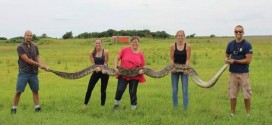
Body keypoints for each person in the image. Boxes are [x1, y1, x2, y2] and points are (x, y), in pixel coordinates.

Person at [11, 30, 49, 114]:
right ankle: (13, 108)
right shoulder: (20, 47)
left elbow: (37, 58)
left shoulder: (35, 47)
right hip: (24, 72)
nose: (29, 37)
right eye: (27, 35)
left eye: (31, 35)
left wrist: (44, 66)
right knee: (19, 91)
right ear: (24, 36)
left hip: (33, 73)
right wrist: (39, 65)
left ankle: (37, 108)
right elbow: (27, 60)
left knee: (35, 90)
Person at [225, 25, 253, 116]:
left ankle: (248, 114)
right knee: (232, 95)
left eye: (240, 31)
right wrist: (227, 60)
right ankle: (232, 113)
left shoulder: (247, 45)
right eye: (236, 31)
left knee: (246, 95)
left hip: (244, 73)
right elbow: (226, 55)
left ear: (243, 32)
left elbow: (248, 60)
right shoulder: (230, 44)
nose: (238, 33)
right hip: (233, 73)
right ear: (234, 32)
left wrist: (235, 61)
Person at [113, 36, 145, 110]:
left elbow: (143, 66)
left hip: (135, 75)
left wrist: (142, 70)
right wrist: (115, 67)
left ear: (138, 43)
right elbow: (117, 58)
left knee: (133, 92)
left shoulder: (141, 54)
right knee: (120, 89)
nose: (135, 43)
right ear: (131, 43)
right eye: (133, 42)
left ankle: (133, 109)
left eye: (136, 42)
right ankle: (116, 105)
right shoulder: (125, 49)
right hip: (123, 74)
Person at [83, 39, 109, 109]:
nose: (98, 45)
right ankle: (85, 105)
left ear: (102, 43)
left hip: (104, 72)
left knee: (103, 89)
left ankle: (102, 106)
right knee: (89, 88)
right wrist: (96, 68)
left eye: (99, 43)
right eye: (96, 43)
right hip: (96, 71)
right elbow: (93, 64)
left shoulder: (106, 52)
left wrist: (103, 69)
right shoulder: (91, 52)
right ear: (94, 44)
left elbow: (106, 63)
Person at [170, 30, 191, 110]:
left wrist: (186, 68)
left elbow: (188, 59)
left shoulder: (188, 46)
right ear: (176, 36)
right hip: (174, 70)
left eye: (182, 35)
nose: (180, 37)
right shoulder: (173, 46)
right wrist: (173, 67)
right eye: (179, 35)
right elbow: (171, 58)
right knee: (174, 90)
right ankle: (175, 108)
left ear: (184, 36)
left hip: (184, 70)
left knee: (185, 90)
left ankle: (185, 109)